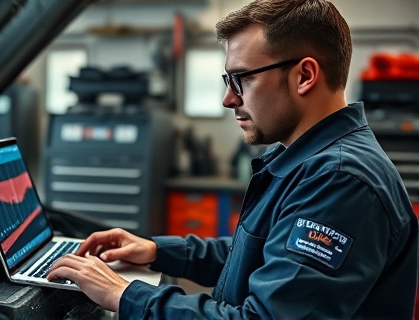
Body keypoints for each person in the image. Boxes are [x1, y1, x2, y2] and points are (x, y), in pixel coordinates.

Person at [48, 0, 419, 318]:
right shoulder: (305, 160)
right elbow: (263, 255)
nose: (228, 99)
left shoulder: (340, 180)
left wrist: (124, 295)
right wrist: (159, 251)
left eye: (241, 79)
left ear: (304, 75)